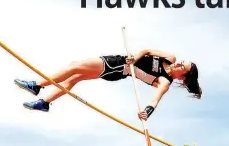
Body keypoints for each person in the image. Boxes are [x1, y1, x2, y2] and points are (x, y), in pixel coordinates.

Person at [13, 49, 201, 120]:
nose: (178, 63)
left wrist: (147, 112)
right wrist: (135, 57)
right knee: (75, 77)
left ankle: (37, 85)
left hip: (118, 68)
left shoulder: (164, 82)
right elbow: (147, 50)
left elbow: (155, 100)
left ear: (182, 77)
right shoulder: (170, 57)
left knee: (75, 67)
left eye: (181, 66)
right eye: (181, 61)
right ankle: (45, 102)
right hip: (121, 61)